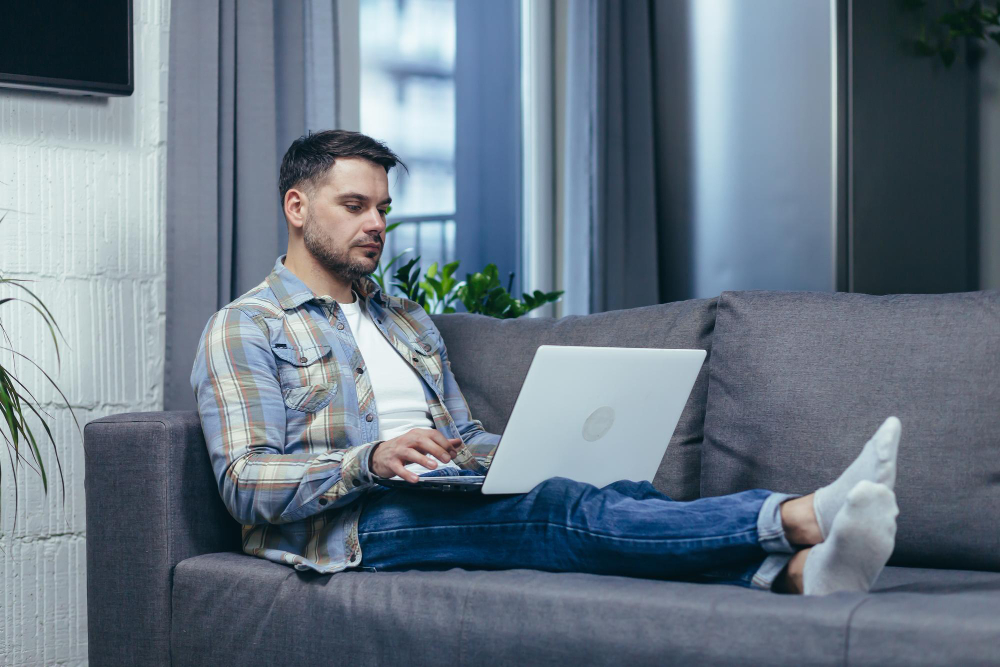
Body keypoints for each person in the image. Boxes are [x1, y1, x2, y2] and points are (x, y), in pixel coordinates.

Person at [191, 130, 900, 595]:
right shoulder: (245, 326)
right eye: (354, 205)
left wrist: (530, 454)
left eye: (383, 207)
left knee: (607, 493)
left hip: (440, 490)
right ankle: (799, 516)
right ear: (296, 206)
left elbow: (462, 437)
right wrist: (369, 458)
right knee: (558, 511)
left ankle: (798, 574)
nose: (376, 224)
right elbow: (247, 483)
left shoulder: (402, 315)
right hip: (352, 526)